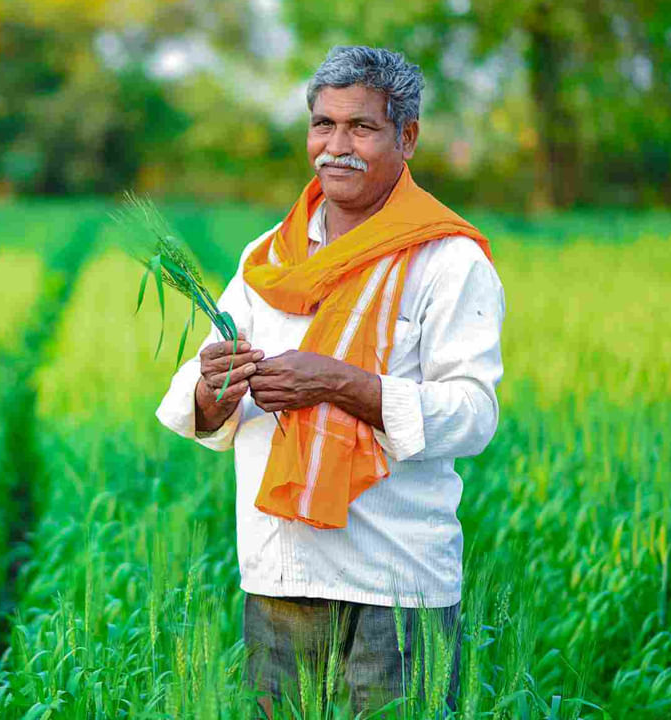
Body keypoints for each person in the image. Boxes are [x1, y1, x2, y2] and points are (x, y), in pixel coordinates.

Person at [154, 45, 505, 718]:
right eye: (323, 124)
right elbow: (200, 394)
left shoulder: (448, 261)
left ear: (407, 137)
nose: (335, 147)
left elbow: (473, 414)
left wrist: (342, 384)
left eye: (361, 128)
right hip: (281, 571)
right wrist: (212, 385)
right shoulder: (268, 255)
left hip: (398, 577)